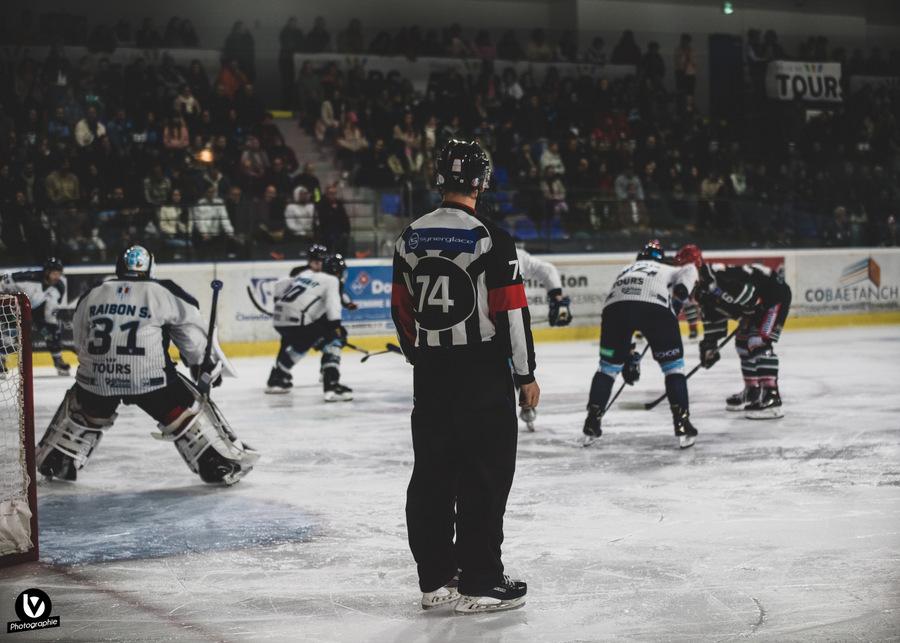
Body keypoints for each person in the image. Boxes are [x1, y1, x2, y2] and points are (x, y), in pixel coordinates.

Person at [391, 139, 538, 613]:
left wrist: (423, 357)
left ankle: (435, 579)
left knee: (432, 475)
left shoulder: (409, 236)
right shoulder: (490, 237)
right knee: (485, 476)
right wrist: (525, 374)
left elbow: (401, 309)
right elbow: (511, 313)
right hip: (481, 375)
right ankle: (480, 581)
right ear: (481, 181)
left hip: (431, 375)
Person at [34, 246, 258, 483]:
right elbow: (190, 335)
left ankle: (57, 458)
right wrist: (201, 364)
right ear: (150, 267)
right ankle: (215, 463)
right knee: (185, 409)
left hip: (97, 377)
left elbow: (80, 342)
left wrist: (99, 368)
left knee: (85, 407)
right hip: (149, 379)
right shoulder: (163, 291)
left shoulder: (94, 292)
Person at [582, 240, 698, 448]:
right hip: (655, 308)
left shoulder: (626, 269)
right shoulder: (667, 267)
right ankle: (682, 423)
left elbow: (629, 308)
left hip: (614, 309)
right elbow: (690, 269)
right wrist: (680, 296)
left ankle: (592, 420)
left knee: (607, 369)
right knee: (673, 369)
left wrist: (628, 356)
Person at [692, 250, 791, 419]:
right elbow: (714, 320)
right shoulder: (701, 292)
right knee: (742, 343)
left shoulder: (715, 277)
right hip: (756, 305)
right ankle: (752, 391)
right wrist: (709, 347)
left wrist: (751, 311)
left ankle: (771, 396)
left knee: (758, 341)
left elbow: (749, 293)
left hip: (775, 296)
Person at [265, 254, 353, 402]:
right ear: (337, 272)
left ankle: (278, 379)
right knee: (333, 340)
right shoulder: (332, 280)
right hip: (299, 321)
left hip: (280, 320)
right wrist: (336, 327)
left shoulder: (307, 274)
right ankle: (331, 385)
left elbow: (280, 285)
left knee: (303, 343)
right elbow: (333, 307)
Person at [514, 246, 572, 430]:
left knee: (519, 362)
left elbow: (547, 270)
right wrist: (557, 300)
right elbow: (547, 270)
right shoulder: (515, 252)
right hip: (507, 320)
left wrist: (557, 298)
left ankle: (525, 402)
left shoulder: (516, 254)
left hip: (506, 320)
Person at [1, 258, 70, 375]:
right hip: (13, 307)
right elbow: (3, 283)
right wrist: (5, 302)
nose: (57, 277)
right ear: (47, 272)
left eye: (59, 274)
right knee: (9, 332)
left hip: (35, 309)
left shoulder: (59, 287)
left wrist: (50, 327)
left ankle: (57, 360)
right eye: (54, 273)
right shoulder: (26, 278)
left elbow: (50, 310)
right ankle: (1, 360)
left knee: (51, 332)